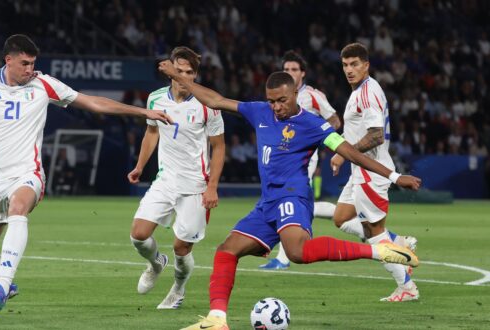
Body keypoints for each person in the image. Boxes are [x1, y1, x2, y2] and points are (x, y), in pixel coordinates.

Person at [0, 34, 171, 316]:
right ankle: (5, 285)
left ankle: (2, 286)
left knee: (18, 208)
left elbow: (92, 102)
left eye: (33, 63)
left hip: (28, 173)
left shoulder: (43, 83)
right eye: (24, 63)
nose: (29, 69)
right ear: (8, 60)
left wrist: (141, 112)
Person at [158, 61, 421, 330]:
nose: (276, 107)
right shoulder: (259, 112)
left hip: (293, 197)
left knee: (296, 251)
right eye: (272, 101)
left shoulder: (313, 125)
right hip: (267, 202)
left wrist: (394, 176)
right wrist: (178, 77)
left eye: (282, 100)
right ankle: (217, 319)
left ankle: (378, 250)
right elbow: (216, 100)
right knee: (227, 251)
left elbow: (350, 153)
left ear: (295, 94)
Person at [128, 46, 225, 310]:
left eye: (189, 72)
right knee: (138, 235)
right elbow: (151, 132)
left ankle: (178, 289)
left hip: (195, 186)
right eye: (178, 71)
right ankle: (155, 263)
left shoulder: (207, 105)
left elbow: (218, 147)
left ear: (196, 75)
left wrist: (212, 187)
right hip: (165, 180)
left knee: (182, 248)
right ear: (171, 72)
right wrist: (139, 166)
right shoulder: (156, 99)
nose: (183, 77)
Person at [331, 43, 419, 302]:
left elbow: (376, 135)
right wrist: (343, 152)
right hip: (360, 169)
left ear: (366, 65)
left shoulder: (367, 93)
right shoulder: (361, 91)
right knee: (341, 218)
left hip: (372, 172)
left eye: (355, 64)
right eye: (345, 65)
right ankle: (398, 242)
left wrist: (346, 150)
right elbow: (359, 130)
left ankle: (406, 287)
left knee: (374, 233)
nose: (349, 69)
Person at [260, 50, 341, 270]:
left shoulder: (313, 95)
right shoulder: (279, 96)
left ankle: (283, 258)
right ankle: (356, 222)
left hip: (304, 155)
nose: (290, 72)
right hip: (283, 154)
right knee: (303, 205)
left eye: (294, 69)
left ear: (302, 73)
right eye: (286, 69)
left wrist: (317, 138)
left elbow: (334, 119)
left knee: (289, 197)